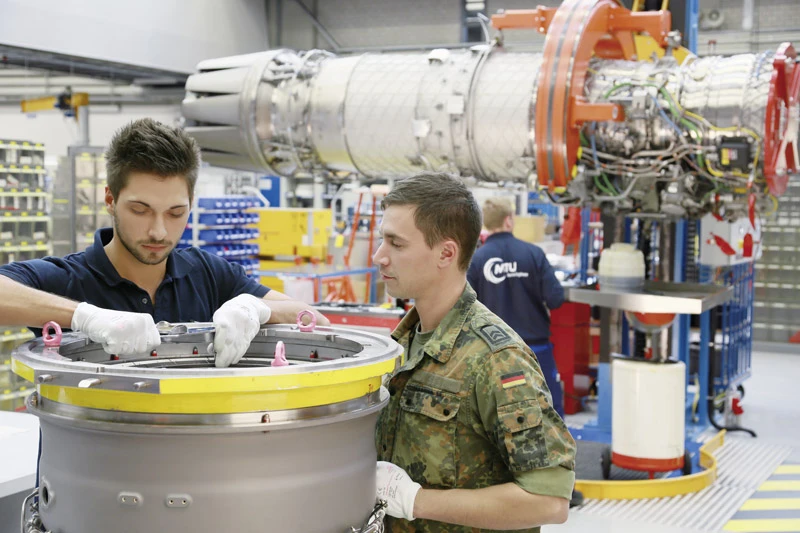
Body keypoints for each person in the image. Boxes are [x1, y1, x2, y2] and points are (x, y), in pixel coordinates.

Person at [0, 118, 328, 367]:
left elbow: (311, 318)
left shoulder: (208, 275)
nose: (158, 232)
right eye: (140, 210)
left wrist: (257, 308)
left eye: (175, 213)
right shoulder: (69, 280)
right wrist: (85, 317)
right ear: (110, 200)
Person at [372, 173, 576, 532]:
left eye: (396, 244)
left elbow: (549, 501)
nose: (379, 257)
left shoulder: (496, 359)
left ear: (446, 253)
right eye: (381, 240)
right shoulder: (403, 344)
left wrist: (415, 500)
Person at [467, 198, 566, 417]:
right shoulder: (533, 254)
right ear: (508, 221)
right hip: (534, 350)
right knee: (547, 410)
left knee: (498, 414)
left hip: (492, 352)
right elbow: (555, 298)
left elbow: (465, 307)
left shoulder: (476, 260)